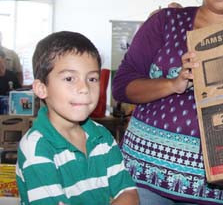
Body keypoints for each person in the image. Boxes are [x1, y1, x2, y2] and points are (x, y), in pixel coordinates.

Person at [112, 0, 223, 204]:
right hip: (143, 175)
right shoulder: (166, 22)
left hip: (211, 186)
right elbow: (121, 86)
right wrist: (172, 84)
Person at [16, 31, 138, 205]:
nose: (84, 88)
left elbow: (129, 195)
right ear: (42, 88)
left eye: (92, 78)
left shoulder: (102, 136)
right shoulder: (36, 147)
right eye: (69, 78)